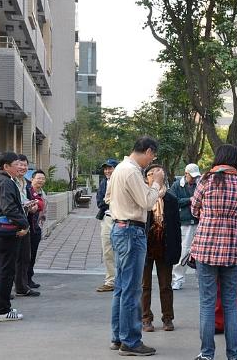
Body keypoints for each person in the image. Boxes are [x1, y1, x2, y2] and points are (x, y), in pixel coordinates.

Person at [105, 136, 164, 356]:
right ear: (148, 151)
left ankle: (118, 336)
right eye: (153, 156)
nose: (152, 161)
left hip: (120, 228)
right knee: (131, 289)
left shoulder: (120, 169)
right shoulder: (132, 171)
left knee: (122, 287)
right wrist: (156, 183)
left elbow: (108, 198)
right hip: (131, 231)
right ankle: (130, 341)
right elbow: (148, 202)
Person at [190, 144, 237, 360]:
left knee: (207, 303)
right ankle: (233, 355)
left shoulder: (205, 181)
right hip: (232, 249)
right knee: (230, 304)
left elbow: (194, 209)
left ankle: (207, 355)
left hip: (205, 249)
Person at [141, 164, 181, 332]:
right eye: (151, 174)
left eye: (158, 173)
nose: (154, 176)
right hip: (145, 247)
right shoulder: (142, 197)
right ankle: (146, 318)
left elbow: (176, 227)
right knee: (145, 286)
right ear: (145, 178)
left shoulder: (171, 199)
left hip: (165, 246)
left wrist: (177, 250)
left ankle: (167, 318)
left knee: (165, 285)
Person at [0, 152, 30, 322]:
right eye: (16, 164)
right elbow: (8, 208)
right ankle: (2, 310)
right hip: (7, 234)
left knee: (3, 270)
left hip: (0, 232)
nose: (20, 167)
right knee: (7, 271)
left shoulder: (1, 180)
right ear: (6, 166)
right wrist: (24, 224)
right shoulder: (6, 183)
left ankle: (1, 306)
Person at [169, 163, 200, 290]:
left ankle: (201, 280)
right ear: (185, 174)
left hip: (198, 222)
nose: (193, 179)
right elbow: (172, 202)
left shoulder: (199, 184)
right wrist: (189, 200)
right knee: (183, 252)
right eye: (191, 176)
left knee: (199, 253)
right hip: (184, 223)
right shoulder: (177, 185)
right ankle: (177, 279)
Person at [13, 154, 39, 297]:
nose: (22, 167)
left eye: (25, 165)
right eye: (19, 164)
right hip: (14, 226)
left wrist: (31, 206)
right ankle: (2, 292)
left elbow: (24, 200)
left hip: (24, 223)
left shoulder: (24, 182)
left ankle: (22, 287)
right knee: (12, 260)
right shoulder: (10, 182)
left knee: (24, 257)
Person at [96, 158, 118, 292]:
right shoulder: (103, 183)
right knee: (107, 252)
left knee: (122, 252)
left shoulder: (122, 183)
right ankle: (110, 281)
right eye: (106, 168)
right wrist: (109, 202)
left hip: (121, 219)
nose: (107, 171)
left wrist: (108, 201)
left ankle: (122, 280)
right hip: (107, 218)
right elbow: (100, 202)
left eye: (110, 168)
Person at [27, 169, 47, 289]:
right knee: (26, 256)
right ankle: (23, 280)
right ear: (32, 179)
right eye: (38, 178)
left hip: (36, 228)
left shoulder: (42, 193)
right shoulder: (28, 192)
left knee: (33, 255)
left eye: (43, 178)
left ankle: (29, 278)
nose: (40, 180)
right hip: (27, 228)